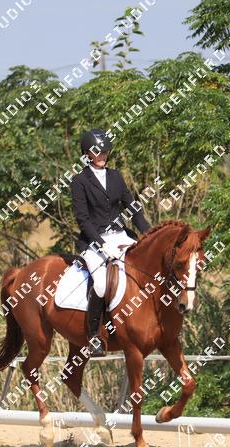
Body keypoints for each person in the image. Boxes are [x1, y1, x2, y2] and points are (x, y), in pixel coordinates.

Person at [70, 128, 151, 355]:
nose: (102, 155)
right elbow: (82, 219)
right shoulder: (79, 181)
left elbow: (132, 208)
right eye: (98, 152)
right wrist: (101, 244)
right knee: (100, 283)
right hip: (94, 240)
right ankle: (94, 335)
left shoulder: (115, 176)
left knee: (146, 267)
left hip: (120, 235)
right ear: (87, 154)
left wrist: (148, 233)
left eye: (105, 151)